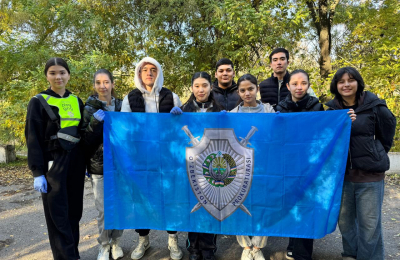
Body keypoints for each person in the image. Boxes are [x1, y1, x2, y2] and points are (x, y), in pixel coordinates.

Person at [277, 69, 356, 260]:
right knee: (291, 206)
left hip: (311, 167)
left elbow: (327, 133)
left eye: (303, 83)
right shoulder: (279, 108)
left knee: (305, 207)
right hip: (287, 166)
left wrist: (346, 121)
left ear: (308, 85)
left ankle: (303, 254)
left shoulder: (317, 107)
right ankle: (292, 245)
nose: (299, 87)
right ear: (288, 86)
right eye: (294, 83)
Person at [326, 67, 396, 260]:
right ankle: (350, 254)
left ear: (358, 82)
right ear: (336, 85)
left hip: (370, 176)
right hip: (343, 176)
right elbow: (326, 140)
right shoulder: (331, 110)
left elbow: (388, 132)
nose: (346, 85)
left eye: (351, 80)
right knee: (346, 223)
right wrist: (342, 123)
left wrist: (376, 152)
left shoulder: (375, 106)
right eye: (341, 81)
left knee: (369, 225)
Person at [121, 57, 183, 260]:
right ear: (139, 74)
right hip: (141, 160)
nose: (149, 73)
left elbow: (180, 131)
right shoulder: (129, 99)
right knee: (142, 199)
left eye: (153, 70)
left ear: (159, 73)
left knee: (170, 198)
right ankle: (143, 240)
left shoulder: (172, 97)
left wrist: (178, 117)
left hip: (167, 160)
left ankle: (172, 240)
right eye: (144, 70)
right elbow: (125, 129)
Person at [25, 57, 86, 260]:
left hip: (76, 161)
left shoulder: (76, 100)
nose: (58, 76)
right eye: (53, 73)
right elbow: (32, 137)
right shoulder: (38, 101)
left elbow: (82, 133)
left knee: (74, 213)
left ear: (68, 75)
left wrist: (85, 161)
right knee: (57, 215)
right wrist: (37, 172)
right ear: (47, 76)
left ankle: (73, 254)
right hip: (53, 163)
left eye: (62, 72)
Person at [170, 71, 223, 260]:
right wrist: (174, 120)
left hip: (212, 167)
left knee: (210, 207)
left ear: (211, 87)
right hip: (190, 167)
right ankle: (193, 248)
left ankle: (209, 248)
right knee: (193, 206)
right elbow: (174, 139)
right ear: (192, 88)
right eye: (197, 86)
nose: (201, 90)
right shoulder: (183, 110)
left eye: (205, 85)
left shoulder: (219, 109)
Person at [230, 74, 273, 260]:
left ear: (257, 89)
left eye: (250, 89)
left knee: (263, 205)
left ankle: (258, 246)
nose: (247, 93)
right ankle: (246, 246)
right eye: (243, 90)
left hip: (264, 167)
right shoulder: (232, 114)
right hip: (240, 169)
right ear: (238, 92)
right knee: (240, 205)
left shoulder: (269, 111)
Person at [82, 69, 124, 260]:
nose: (102, 86)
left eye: (106, 82)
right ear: (94, 85)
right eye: (98, 82)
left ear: (112, 84)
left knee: (120, 205)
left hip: (121, 166)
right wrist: (94, 124)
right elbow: (85, 141)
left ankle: (116, 242)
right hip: (99, 166)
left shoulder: (122, 106)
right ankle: (104, 245)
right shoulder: (89, 108)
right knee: (103, 210)